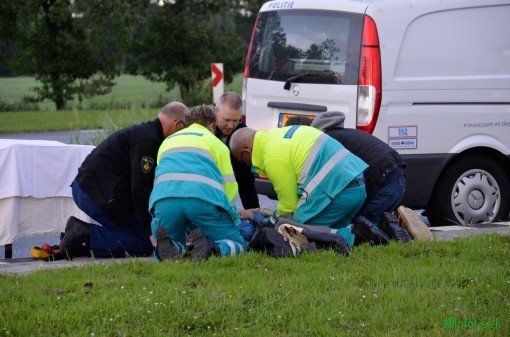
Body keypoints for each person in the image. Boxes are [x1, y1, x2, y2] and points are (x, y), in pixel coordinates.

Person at [60, 101, 190, 259]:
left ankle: (80, 243)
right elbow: (140, 189)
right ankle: (83, 234)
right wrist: (150, 231)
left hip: (96, 190)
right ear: (177, 124)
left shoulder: (147, 134)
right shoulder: (148, 141)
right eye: (185, 128)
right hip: (94, 194)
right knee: (143, 243)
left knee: (142, 238)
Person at [230, 125, 387, 247]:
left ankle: (357, 235)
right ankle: (377, 230)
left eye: (242, 160)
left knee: (290, 228)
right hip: (356, 188)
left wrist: (266, 222)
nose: (245, 164)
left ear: (246, 151)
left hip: (338, 193)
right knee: (322, 235)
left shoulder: (272, 156)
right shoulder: (280, 136)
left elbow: (288, 207)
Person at [285, 111, 409, 242]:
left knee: (362, 231)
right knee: (370, 226)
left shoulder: (321, 145)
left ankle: (389, 233)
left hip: (383, 180)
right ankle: (392, 230)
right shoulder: (338, 135)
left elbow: (321, 187)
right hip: (396, 175)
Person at [150, 105, 247, 261]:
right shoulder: (217, 144)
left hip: (164, 200)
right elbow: (228, 186)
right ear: (211, 125)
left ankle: (172, 248)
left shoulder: (167, 141)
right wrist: (232, 217)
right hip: (201, 200)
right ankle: (212, 248)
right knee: (239, 244)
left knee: (172, 239)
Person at [214, 92, 259, 209]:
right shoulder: (204, 128)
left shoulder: (242, 133)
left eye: (235, 121)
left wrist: (254, 212)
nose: (230, 126)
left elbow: (246, 180)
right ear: (216, 111)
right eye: (226, 119)